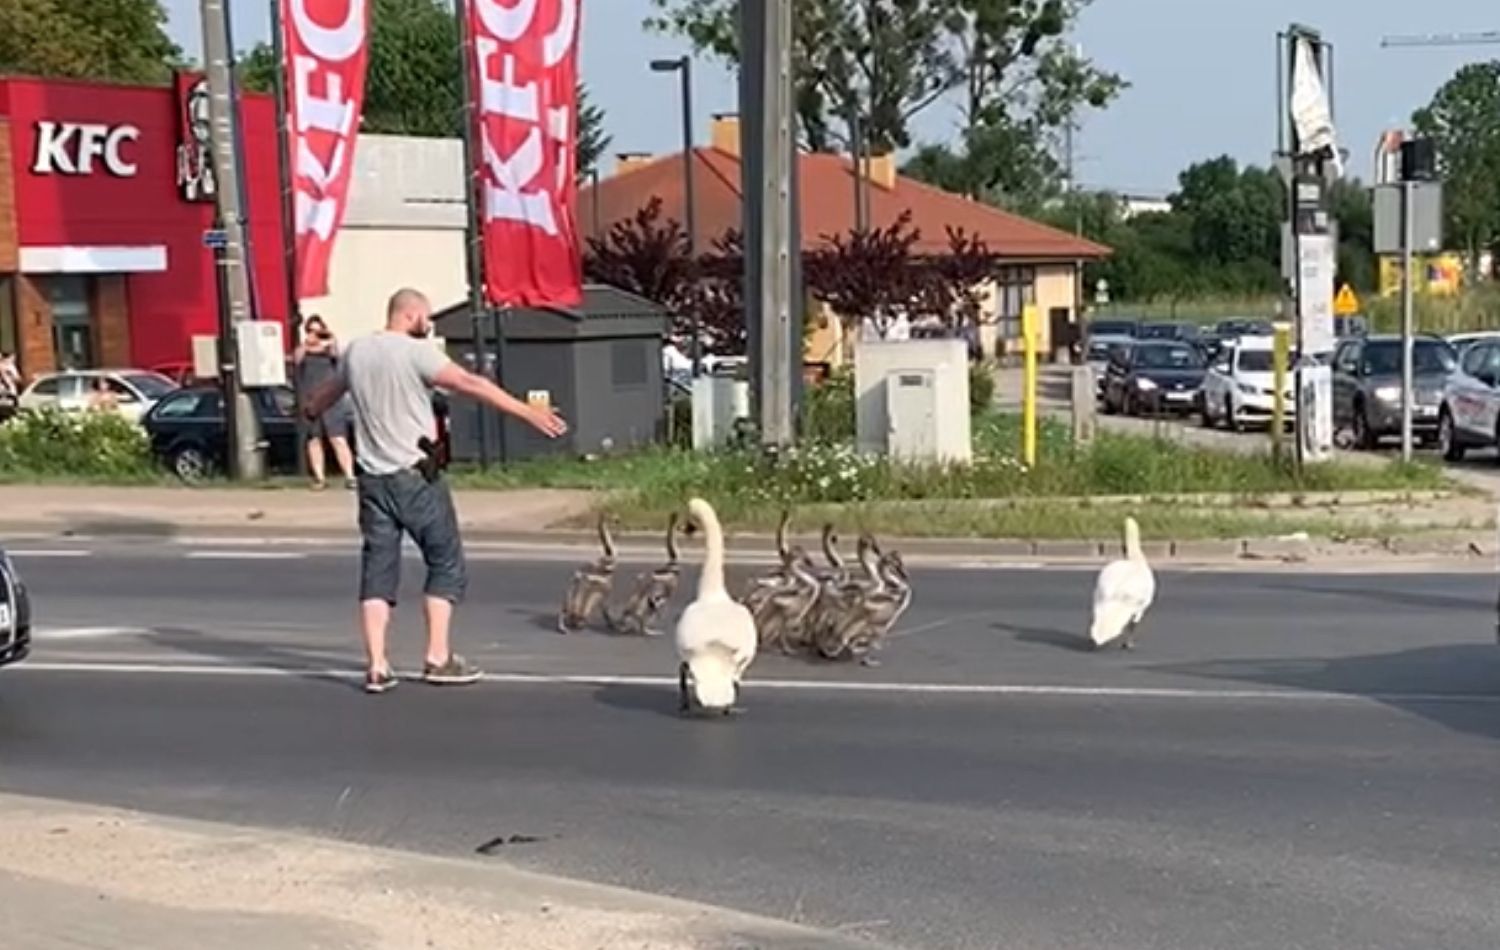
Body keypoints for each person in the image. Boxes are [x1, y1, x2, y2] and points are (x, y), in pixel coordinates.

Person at [302, 288, 568, 694]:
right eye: (426, 317)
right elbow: (467, 382)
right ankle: (437, 657)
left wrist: (307, 410)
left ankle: (376, 666)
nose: (430, 324)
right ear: (410, 315)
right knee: (445, 562)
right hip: (415, 476)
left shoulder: (357, 351)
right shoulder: (415, 352)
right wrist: (526, 411)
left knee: (378, 569)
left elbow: (324, 396)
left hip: (371, 480)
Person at [294, 315, 358, 490]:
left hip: (331, 400)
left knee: (337, 438)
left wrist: (329, 338)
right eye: (311, 331)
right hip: (310, 400)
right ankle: (319, 478)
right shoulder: (303, 350)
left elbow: (337, 353)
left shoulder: (330, 351)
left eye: (318, 331)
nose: (315, 335)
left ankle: (350, 475)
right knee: (314, 439)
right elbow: (297, 358)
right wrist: (309, 343)